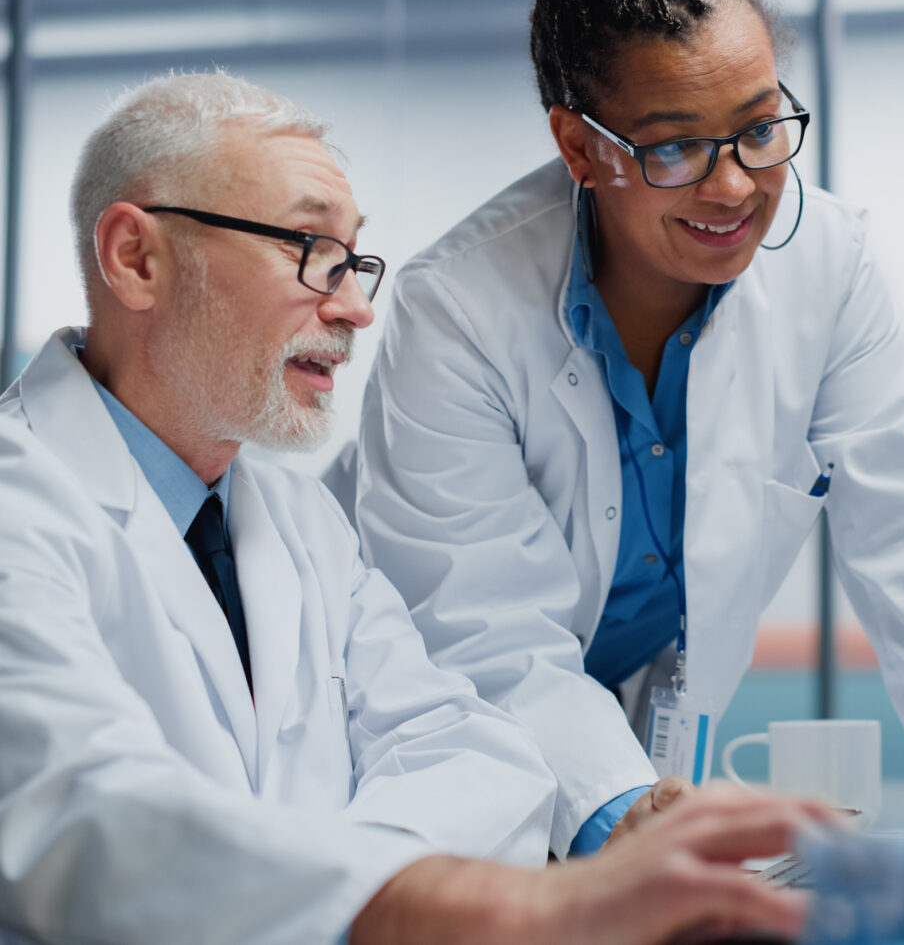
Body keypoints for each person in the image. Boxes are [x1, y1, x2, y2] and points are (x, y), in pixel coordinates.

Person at [0, 71, 827, 945]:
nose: (357, 307)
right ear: (138, 258)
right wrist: (486, 904)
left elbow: (476, 749)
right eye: (310, 246)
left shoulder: (302, 525)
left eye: (357, 259)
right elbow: (75, 808)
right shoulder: (23, 502)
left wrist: (332, 883)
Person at [353, 0, 904, 861]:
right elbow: (482, 634)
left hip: (647, 773)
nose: (735, 187)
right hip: (460, 784)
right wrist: (631, 810)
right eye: (673, 148)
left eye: (759, 130)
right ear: (580, 148)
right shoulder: (457, 310)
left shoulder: (828, 267)